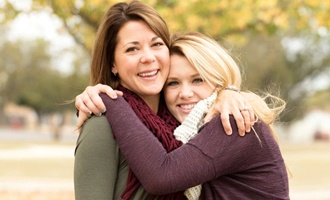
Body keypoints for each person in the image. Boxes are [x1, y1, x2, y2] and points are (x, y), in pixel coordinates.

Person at [73, 1, 254, 200]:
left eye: (157, 44)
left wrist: (227, 92)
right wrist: (108, 100)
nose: (148, 57)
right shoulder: (102, 125)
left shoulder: (187, 122)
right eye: (132, 49)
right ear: (112, 64)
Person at [95, 32, 290, 199]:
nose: (185, 93)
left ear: (219, 81)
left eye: (198, 80)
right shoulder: (186, 128)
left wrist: (110, 98)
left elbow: (161, 177)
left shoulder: (232, 121)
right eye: (173, 83)